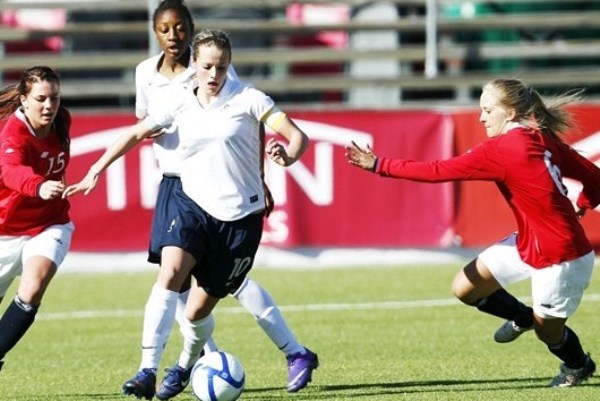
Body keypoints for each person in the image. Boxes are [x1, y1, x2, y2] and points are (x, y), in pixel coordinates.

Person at [64, 27, 313, 399]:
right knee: (170, 273)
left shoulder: (250, 99)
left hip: (239, 220)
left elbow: (297, 137)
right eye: (208, 66)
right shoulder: (179, 100)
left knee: (197, 313)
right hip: (193, 204)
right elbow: (135, 133)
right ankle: (147, 369)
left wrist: (288, 155)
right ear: (194, 63)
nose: (214, 75)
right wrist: (96, 170)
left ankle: (189, 365)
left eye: (222, 67)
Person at [345, 78, 600, 388]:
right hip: (529, 243)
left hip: (562, 256)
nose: (481, 117)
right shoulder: (539, 139)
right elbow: (594, 178)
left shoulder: (506, 149)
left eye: (487, 110)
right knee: (466, 287)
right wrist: (583, 203)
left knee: (548, 332)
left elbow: (438, 171)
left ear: (509, 113)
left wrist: (380, 164)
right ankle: (522, 317)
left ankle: (578, 365)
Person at [0, 66, 74, 372]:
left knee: (32, 287)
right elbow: (11, 171)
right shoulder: (12, 134)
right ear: (24, 100)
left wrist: (46, 191)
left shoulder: (62, 120)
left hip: (49, 224)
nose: (49, 106)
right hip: (5, 231)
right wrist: (39, 185)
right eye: (41, 99)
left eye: (54, 98)